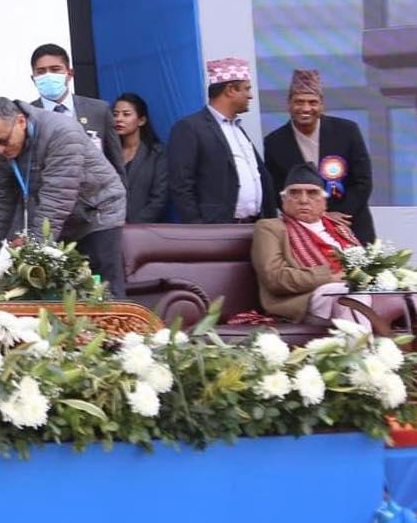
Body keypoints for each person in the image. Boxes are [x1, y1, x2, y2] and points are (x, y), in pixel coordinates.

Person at [0, 96, 129, 296]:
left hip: (97, 212)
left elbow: (57, 199)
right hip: (57, 219)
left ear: (21, 122)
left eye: (3, 141)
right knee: (57, 292)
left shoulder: (61, 131)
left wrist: (34, 250)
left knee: (101, 292)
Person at [251, 165, 403, 329]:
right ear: (283, 200)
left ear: (324, 202)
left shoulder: (339, 227)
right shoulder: (270, 228)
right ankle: (363, 345)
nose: (303, 200)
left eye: (312, 193)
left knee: (408, 292)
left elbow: (364, 267)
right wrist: (331, 277)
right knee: (348, 293)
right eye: (294, 193)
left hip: (355, 291)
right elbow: (275, 278)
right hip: (305, 299)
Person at [263, 69, 376, 244]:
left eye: (312, 102)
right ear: (289, 105)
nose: (306, 108)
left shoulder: (347, 131)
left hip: (350, 224)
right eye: (299, 102)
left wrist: (337, 215)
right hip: (303, 232)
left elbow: (363, 181)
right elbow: (277, 190)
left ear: (322, 105)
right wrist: (319, 216)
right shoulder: (274, 142)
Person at [167, 57, 277, 223]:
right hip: (217, 231)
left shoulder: (237, 129)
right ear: (230, 90)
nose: (250, 95)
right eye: (246, 89)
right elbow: (181, 185)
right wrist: (198, 229)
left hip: (254, 227)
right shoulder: (190, 128)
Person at [28, 43, 124, 176]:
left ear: (69, 73)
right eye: (41, 71)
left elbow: (116, 164)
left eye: (55, 69)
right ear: (33, 78)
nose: (48, 75)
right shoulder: (26, 116)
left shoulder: (99, 110)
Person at [112, 92, 168, 223]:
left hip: (144, 228)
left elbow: (159, 199)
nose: (118, 119)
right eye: (115, 114)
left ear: (141, 120)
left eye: (126, 114)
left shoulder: (157, 153)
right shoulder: (108, 153)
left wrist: (135, 225)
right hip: (111, 226)